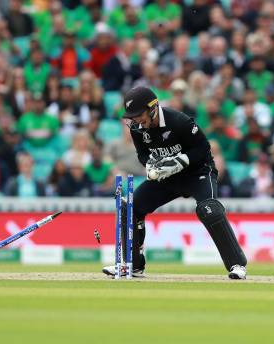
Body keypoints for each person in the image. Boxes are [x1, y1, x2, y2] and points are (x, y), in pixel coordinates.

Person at [101, 86, 247, 279]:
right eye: (132, 116)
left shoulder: (179, 121)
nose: (135, 120)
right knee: (130, 207)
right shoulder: (137, 129)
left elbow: (203, 149)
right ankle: (132, 265)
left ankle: (237, 265)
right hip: (168, 177)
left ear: (152, 108)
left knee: (209, 209)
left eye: (138, 115)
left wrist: (180, 161)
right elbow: (143, 154)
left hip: (198, 173)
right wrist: (151, 166)